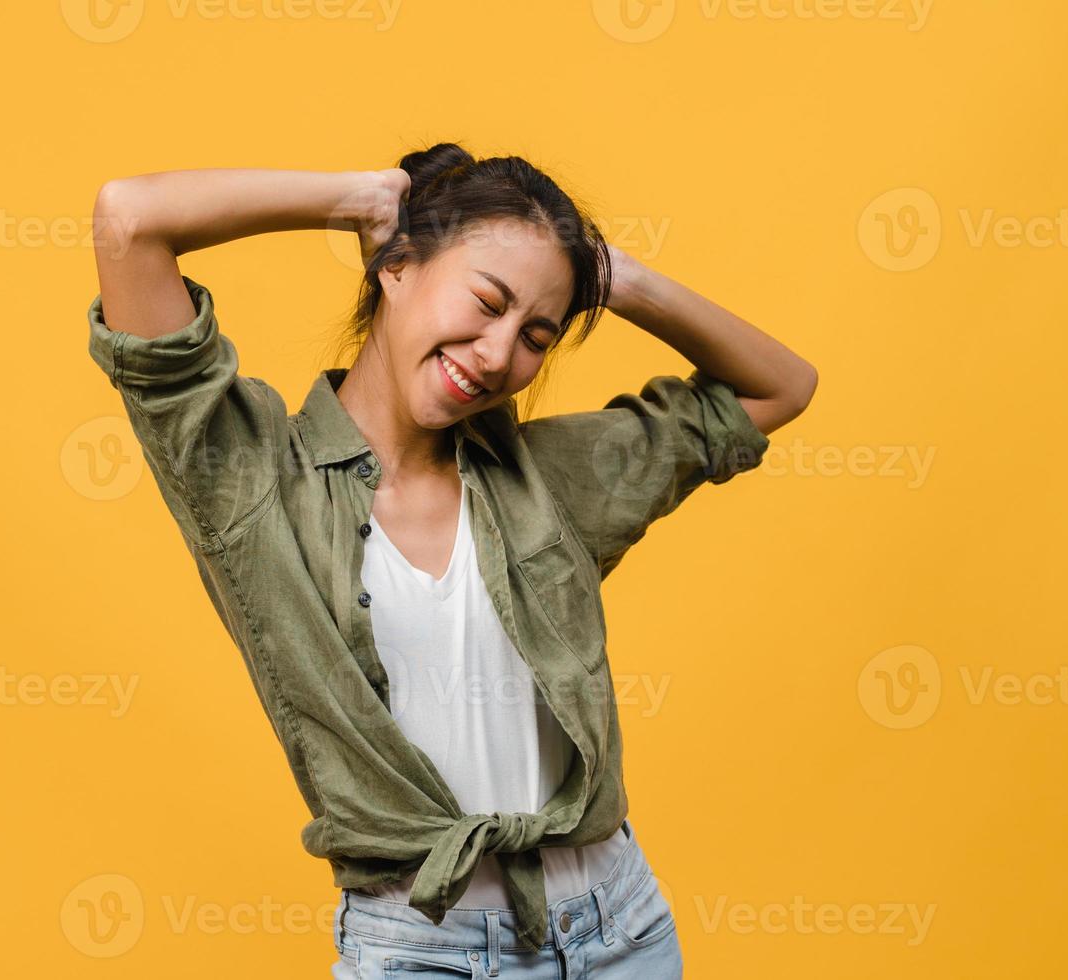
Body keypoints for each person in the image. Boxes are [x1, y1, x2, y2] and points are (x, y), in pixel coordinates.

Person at [85, 142, 817, 979]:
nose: (501, 354)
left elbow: (778, 388)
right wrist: (360, 200)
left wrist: (618, 279)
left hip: (621, 929)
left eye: (537, 334)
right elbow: (130, 219)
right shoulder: (252, 486)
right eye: (487, 300)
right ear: (397, 266)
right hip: (424, 950)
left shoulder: (551, 483)